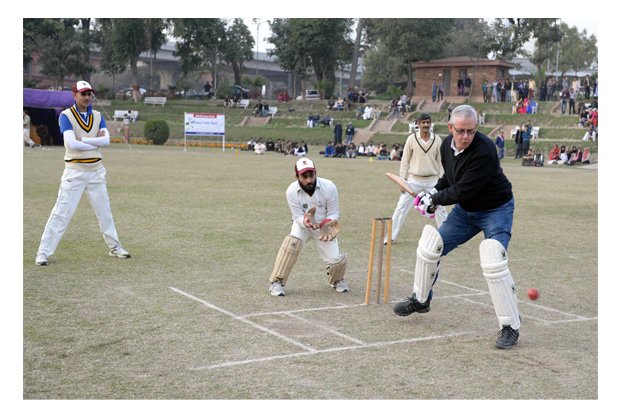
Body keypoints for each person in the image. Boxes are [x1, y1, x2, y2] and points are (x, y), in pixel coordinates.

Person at [393, 105, 522, 350]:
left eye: (470, 131)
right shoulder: (445, 146)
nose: (465, 136)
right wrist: (433, 192)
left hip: (495, 209)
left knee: (493, 257)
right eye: (460, 131)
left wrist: (434, 199)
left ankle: (510, 326)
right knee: (431, 247)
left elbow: (464, 189)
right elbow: (450, 179)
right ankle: (421, 300)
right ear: (451, 128)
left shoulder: (484, 151)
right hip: (466, 211)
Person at [35, 81, 131, 266]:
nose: (87, 97)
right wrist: (96, 141)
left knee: (105, 213)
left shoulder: (97, 115)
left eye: (89, 94)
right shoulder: (66, 116)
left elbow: (107, 141)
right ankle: (43, 252)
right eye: (83, 94)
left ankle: (115, 247)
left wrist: (85, 140)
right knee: (61, 213)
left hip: (96, 172)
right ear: (74, 95)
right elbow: (72, 143)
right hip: (75, 172)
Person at [268, 158, 349, 296]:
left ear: (316, 173)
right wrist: (306, 221)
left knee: (336, 261)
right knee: (291, 244)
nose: (309, 180)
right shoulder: (291, 191)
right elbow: (297, 216)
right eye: (304, 177)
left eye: (311, 175)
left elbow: (334, 212)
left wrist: (326, 224)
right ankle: (277, 282)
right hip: (303, 226)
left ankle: (336, 280)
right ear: (297, 176)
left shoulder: (329, 187)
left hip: (324, 227)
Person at [386, 113, 447, 244]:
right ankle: (390, 237)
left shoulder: (437, 140)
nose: (426, 125)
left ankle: (446, 237)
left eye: (428, 122)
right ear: (417, 124)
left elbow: (441, 162)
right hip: (414, 180)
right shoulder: (411, 139)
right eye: (423, 123)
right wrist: (402, 181)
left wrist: (442, 182)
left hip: (432, 180)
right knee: (401, 207)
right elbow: (405, 161)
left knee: (440, 208)